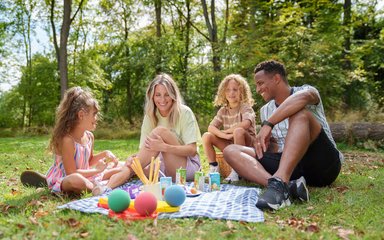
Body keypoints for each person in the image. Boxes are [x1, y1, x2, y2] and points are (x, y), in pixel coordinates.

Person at [223, 60, 343, 210]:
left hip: (323, 165)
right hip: (292, 169)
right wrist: (267, 145)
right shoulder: (265, 110)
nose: (258, 89)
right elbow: (277, 147)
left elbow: (303, 98)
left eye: (260, 83)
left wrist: (268, 124)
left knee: (300, 114)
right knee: (231, 150)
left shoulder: (306, 91)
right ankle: (281, 185)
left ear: (276, 79)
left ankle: (280, 181)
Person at [21, 87, 128, 195]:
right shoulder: (67, 140)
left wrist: (104, 154)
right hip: (67, 178)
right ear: (81, 115)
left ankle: (96, 186)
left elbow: (89, 161)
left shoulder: (89, 136)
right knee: (76, 180)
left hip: (85, 174)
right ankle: (96, 187)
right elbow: (71, 173)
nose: (96, 118)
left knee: (123, 166)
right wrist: (97, 171)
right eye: (94, 114)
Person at [122, 73, 202, 182]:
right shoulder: (150, 116)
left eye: (167, 94)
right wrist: (133, 158)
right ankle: (104, 186)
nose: (162, 99)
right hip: (162, 166)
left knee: (160, 132)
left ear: (173, 95)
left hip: (186, 168)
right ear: (152, 96)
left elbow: (192, 150)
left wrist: (164, 147)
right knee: (128, 165)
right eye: (158, 95)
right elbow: (145, 152)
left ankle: (126, 174)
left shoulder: (184, 112)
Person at [202, 74, 256, 183]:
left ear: (242, 92)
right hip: (231, 144)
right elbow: (211, 127)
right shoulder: (223, 110)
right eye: (228, 90)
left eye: (235, 90)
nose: (231, 93)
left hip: (247, 146)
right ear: (223, 92)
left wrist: (227, 130)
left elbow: (246, 123)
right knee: (207, 136)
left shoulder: (245, 107)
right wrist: (224, 135)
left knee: (238, 131)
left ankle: (237, 170)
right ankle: (213, 168)